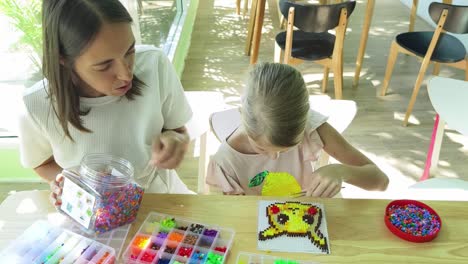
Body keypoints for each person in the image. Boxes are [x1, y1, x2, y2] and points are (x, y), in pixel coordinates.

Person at [17, 0, 194, 206]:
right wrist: (68, 184)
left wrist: (176, 140)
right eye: (104, 65)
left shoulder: (155, 65)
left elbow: (178, 130)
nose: (126, 74)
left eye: (130, 51)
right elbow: (42, 163)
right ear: (63, 59)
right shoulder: (37, 105)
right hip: (94, 209)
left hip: (159, 198)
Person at [206, 62, 389, 197]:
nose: (274, 157)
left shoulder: (311, 128)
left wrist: (341, 171)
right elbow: (229, 217)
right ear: (243, 119)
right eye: (261, 148)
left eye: (286, 149)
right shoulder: (225, 162)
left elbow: (381, 181)